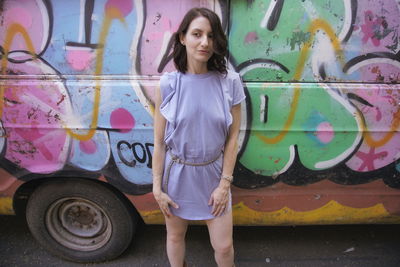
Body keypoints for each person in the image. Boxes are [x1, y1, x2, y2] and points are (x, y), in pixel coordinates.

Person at [152, 7, 245, 267]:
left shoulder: (230, 82)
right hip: (176, 175)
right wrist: (157, 187)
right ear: (182, 38)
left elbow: (233, 136)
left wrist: (224, 184)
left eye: (211, 35)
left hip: (213, 175)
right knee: (174, 237)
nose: (205, 42)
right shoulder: (168, 84)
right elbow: (159, 142)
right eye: (197, 34)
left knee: (224, 247)